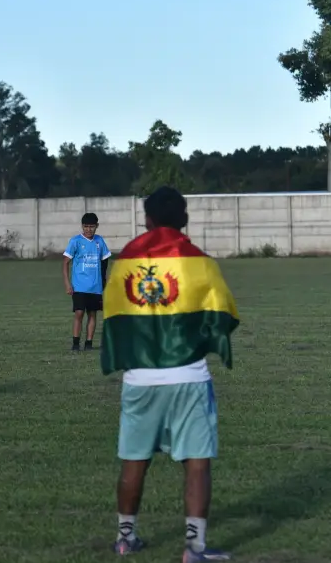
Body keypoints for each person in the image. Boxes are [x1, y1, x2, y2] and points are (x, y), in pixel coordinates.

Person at [100, 186, 239, 561]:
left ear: (147, 219)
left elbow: (113, 314)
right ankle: (194, 548)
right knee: (197, 462)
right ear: (184, 218)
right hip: (189, 376)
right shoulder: (199, 260)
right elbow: (224, 316)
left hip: (140, 379)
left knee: (134, 460)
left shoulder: (126, 258)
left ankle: (125, 539)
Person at [62, 212, 111, 351]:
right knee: (79, 312)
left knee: (92, 313)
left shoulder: (99, 241)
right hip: (79, 286)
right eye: (86, 226)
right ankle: (76, 343)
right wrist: (67, 283)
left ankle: (89, 343)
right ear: (82, 226)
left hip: (95, 286)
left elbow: (105, 261)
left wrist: (104, 281)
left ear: (97, 226)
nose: (89, 229)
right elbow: (65, 262)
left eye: (92, 226)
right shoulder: (75, 241)